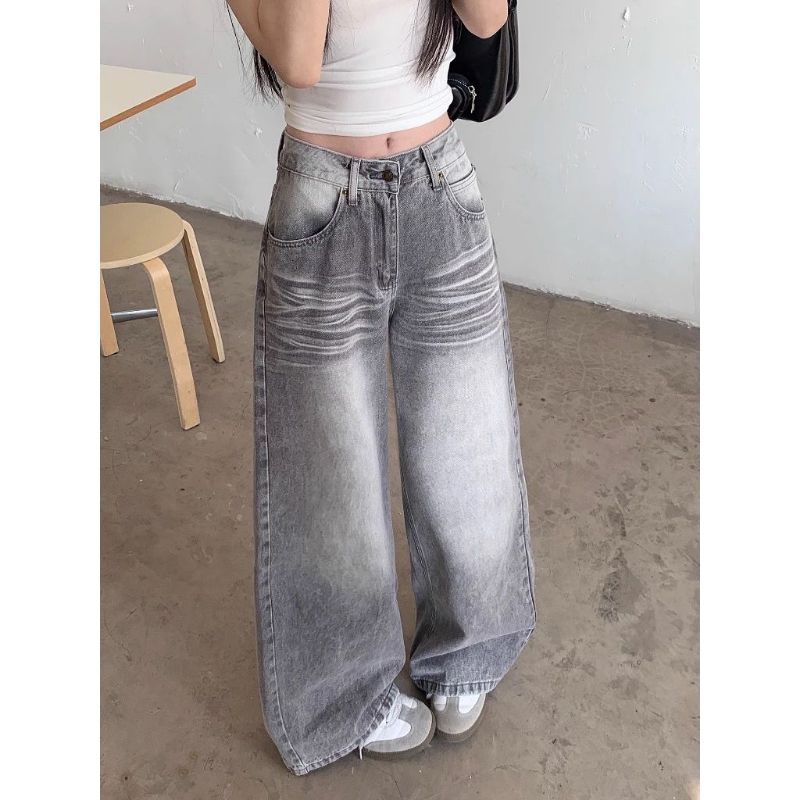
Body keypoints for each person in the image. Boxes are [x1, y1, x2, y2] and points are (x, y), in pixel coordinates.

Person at [227, 0, 536, 776]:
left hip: (439, 182)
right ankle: (341, 698)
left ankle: (468, 649)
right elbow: (300, 58)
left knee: (468, 449)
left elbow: (486, 19)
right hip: (322, 197)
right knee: (328, 478)